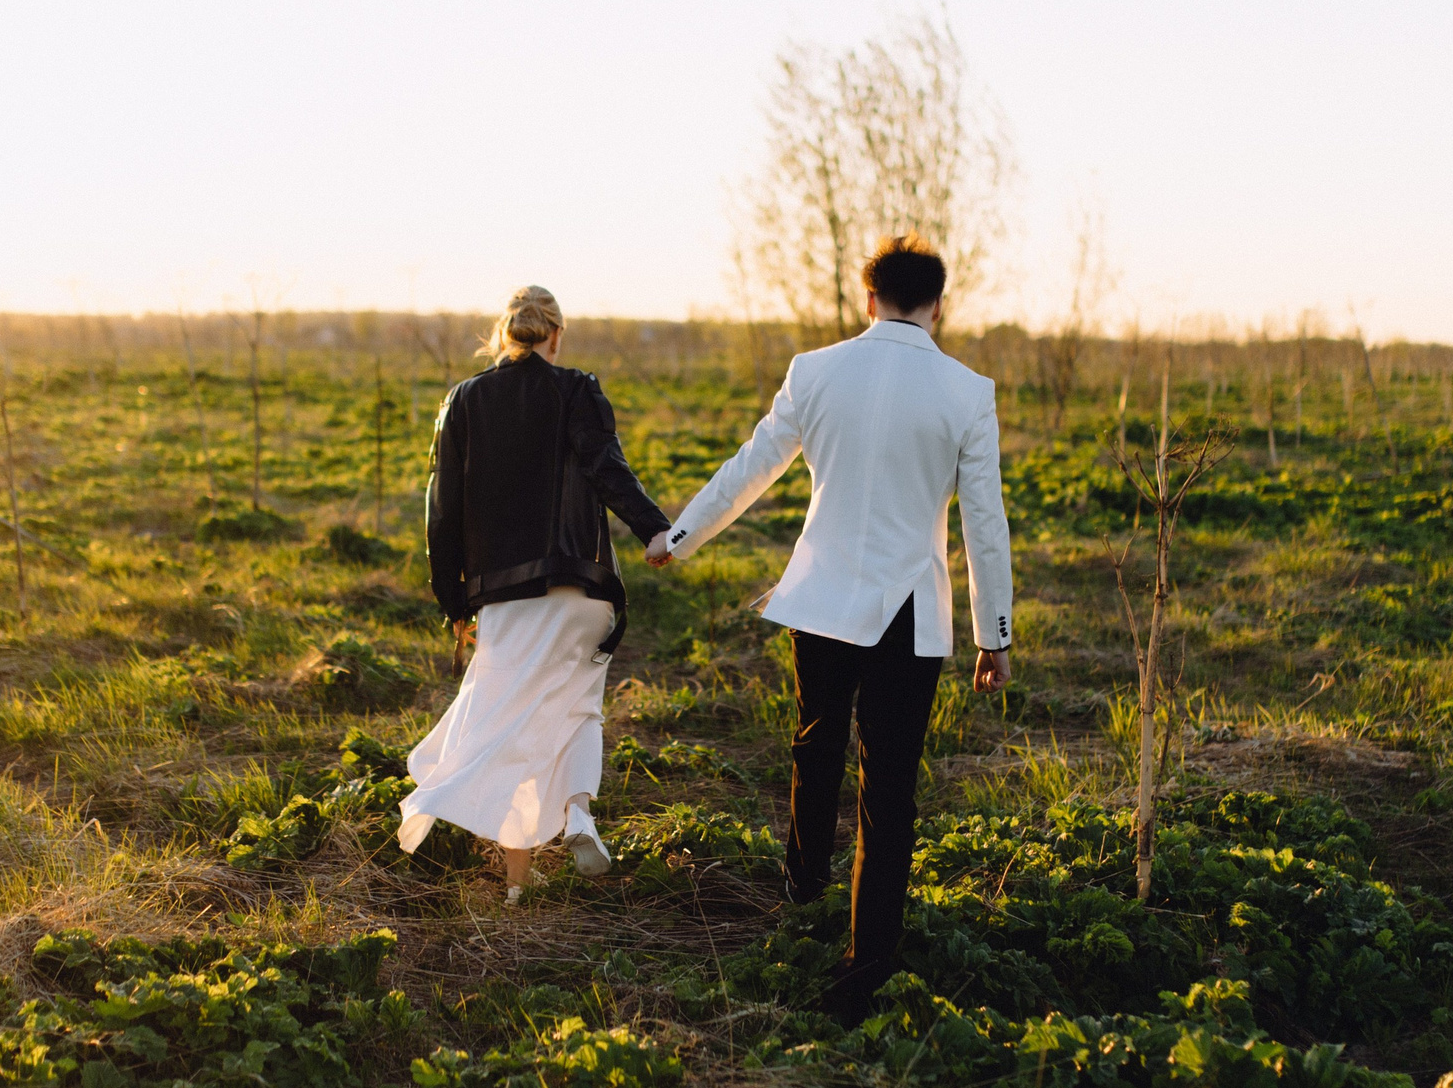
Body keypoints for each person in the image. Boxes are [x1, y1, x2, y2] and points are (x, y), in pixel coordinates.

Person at [647, 237, 1011, 1019]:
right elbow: (986, 521)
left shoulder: (815, 370)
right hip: (908, 612)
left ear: (868, 296)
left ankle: (801, 888)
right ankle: (867, 958)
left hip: (820, 600)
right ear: (938, 305)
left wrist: (679, 536)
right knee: (890, 785)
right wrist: (995, 635)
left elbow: (752, 466)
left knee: (817, 746)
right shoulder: (967, 390)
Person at [402, 286, 672, 903]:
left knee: (506, 729)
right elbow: (609, 468)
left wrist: (453, 602)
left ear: (503, 334)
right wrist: (655, 530)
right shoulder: (578, 388)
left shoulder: (464, 400)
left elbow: (441, 511)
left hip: (504, 593)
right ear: (556, 335)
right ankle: (578, 811)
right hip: (582, 584)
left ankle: (517, 888)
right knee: (579, 708)